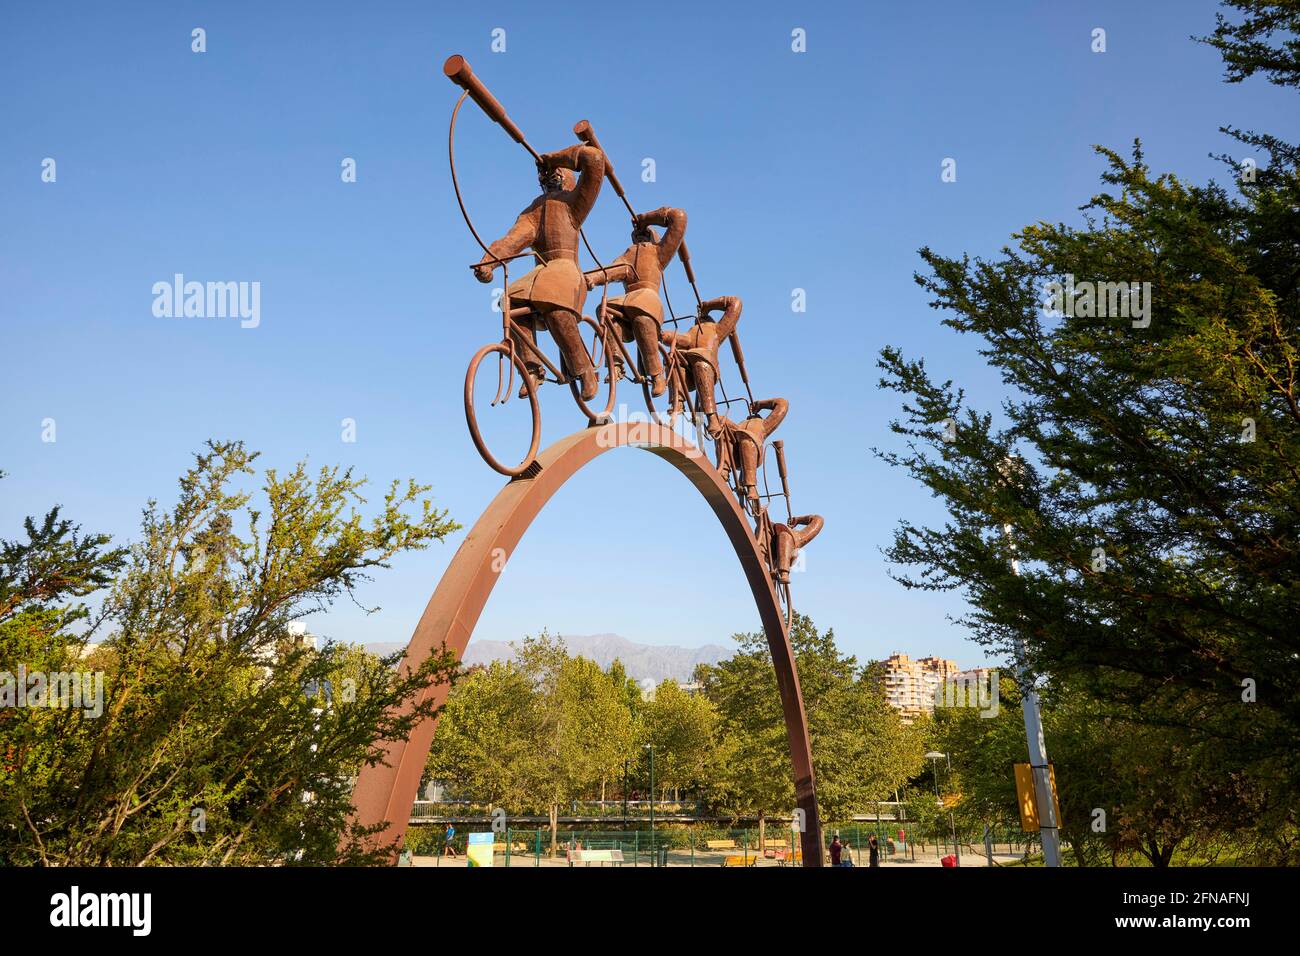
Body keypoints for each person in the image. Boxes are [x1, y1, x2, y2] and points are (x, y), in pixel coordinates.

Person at [474, 142, 607, 401]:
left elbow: (594, 159)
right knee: (510, 300)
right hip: (541, 274)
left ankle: (584, 370)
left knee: (554, 303)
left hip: (565, 272)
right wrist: (489, 261)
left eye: (556, 173)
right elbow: (511, 241)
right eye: (545, 175)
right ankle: (532, 367)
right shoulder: (533, 211)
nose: (548, 178)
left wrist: (554, 157)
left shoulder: (573, 202)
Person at [587, 206, 688, 397]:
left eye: (645, 234)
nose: (640, 237)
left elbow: (679, 218)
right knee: (605, 309)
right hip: (627, 300)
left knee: (643, 316)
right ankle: (615, 363)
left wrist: (646, 218)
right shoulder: (628, 253)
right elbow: (612, 270)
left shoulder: (659, 252)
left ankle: (656, 373)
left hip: (647, 297)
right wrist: (592, 278)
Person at [659, 294, 741, 430]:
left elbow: (735, 304)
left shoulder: (717, 330)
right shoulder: (691, 332)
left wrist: (708, 305)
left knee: (700, 358)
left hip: (705, 365)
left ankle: (712, 417)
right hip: (689, 370)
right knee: (673, 356)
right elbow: (682, 339)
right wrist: (664, 336)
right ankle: (677, 403)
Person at [770, 514, 825, 584]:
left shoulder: (798, 536)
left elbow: (818, 520)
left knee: (785, 536)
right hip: (769, 534)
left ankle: (784, 572)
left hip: (791, 538)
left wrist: (798, 520)